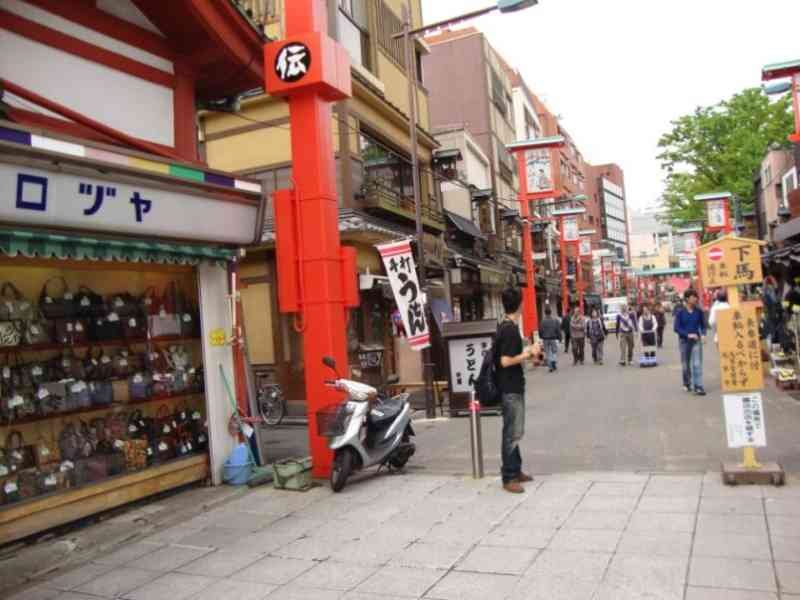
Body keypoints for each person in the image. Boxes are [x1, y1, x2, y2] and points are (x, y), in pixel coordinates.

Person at [496, 287, 537, 494]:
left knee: (514, 430)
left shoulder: (505, 326)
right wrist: (528, 354)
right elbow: (505, 361)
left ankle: (516, 469)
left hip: (511, 386)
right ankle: (509, 476)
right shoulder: (510, 329)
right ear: (520, 304)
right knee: (512, 433)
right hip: (510, 388)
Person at [675, 288, 707, 395]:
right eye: (693, 297)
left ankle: (698, 385)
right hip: (684, 342)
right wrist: (687, 334)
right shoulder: (680, 312)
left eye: (696, 297)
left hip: (696, 342)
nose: (696, 299)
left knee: (697, 364)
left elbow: (703, 325)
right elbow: (676, 328)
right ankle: (687, 382)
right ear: (687, 299)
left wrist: (703, 335)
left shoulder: (699, 312)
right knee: (685, 365)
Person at [539, 306, 562, 372]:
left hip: (545, 339)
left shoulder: (542, 321)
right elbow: (558, 330)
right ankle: (553, 362)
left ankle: (550, 367)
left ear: (545, 313)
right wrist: (560, 338)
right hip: (553, 338)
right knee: (554, 351)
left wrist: (541, 336)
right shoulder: (555, 320)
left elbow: (540, 330)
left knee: (547, 352)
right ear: (551, 312)